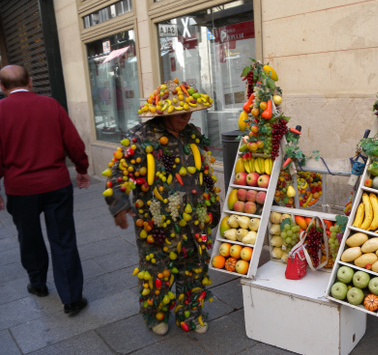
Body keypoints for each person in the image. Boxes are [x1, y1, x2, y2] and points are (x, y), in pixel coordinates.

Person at [104, 79, 221, 335]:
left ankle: (190, 314)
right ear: (164, 112)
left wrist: (213, 205)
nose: (185, 116)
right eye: (178, 112)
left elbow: (206, 175)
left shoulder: (193, 135)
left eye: (188, 111)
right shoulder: (140, 137)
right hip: (157, 222)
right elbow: (117, 174)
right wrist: (119, 204)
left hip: (195, 220)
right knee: (157, 270)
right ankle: (155, 314)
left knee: (194, 269)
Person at [0, 64, 90, 316]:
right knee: (63, 239)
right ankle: (72, 298)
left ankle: (38, 284)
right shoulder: (51, 105)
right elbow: (73, 142)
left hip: (20, 188)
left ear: (2, 87)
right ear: (30, 82)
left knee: (28, 237)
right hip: (56, 185)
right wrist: (81, 167)